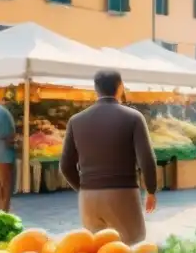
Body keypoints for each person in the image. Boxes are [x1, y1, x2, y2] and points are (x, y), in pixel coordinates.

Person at [60, 71, 157, 244]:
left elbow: (66, 166)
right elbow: (146, 159)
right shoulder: (134, 117)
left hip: (88, 197)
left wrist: (83, 188)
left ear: (95, 89)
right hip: (122, 193)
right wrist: (151, 189)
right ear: (120, 87)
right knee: (130, 247)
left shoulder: (76, 120)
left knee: (99, 252)